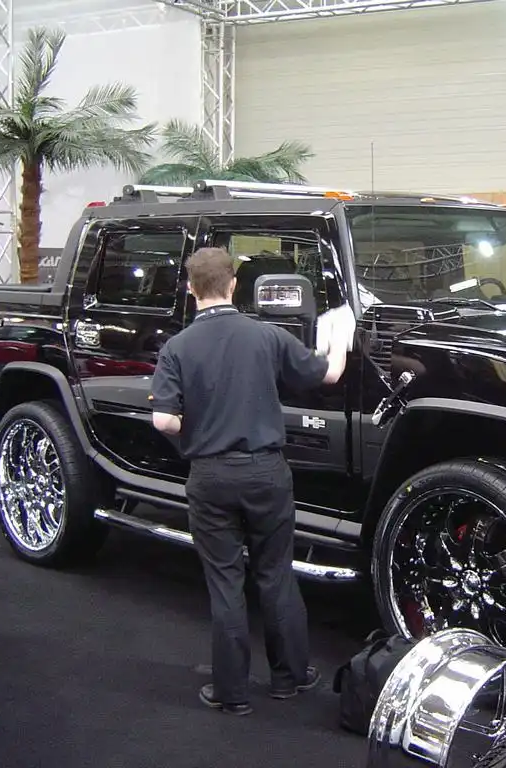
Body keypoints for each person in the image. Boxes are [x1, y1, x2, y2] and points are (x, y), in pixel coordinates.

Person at [148, 246, 354, 716]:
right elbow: (330, 373)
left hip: (210, 476)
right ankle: (290, 678)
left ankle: (231, 693)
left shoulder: (177, 347)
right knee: (275, 574)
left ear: (191, 289)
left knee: (225, 583)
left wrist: (195, 430)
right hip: (266, 473)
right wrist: (339, 335)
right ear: (234, 285)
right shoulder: (267, 335)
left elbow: (164, 420)